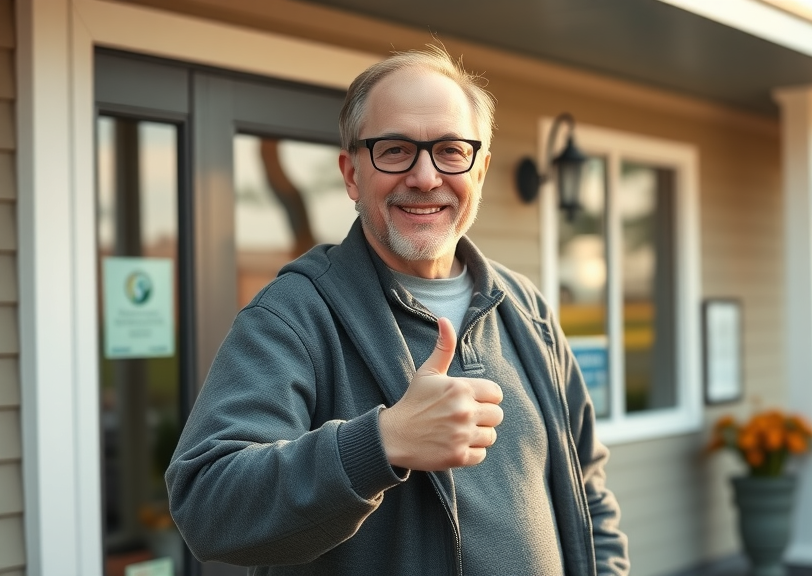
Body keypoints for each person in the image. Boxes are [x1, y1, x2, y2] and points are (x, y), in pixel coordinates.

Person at [166, 44, 629, 576]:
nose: (426, 177)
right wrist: (382, 443)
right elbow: (206, 505)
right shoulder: (292, 317)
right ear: (351, 174)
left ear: (480, 171)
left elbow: (587, 491)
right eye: (394, 150)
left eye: (450, 150)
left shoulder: (527, 310)